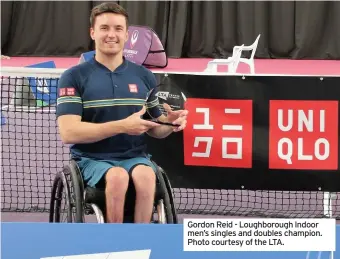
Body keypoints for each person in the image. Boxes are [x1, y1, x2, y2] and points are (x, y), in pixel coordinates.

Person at [56, 2, 188, 223]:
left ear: (126, 35)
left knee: (146, 176)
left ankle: (140, 241)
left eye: (118, 29)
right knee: (117, 177)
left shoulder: (144, 75)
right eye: (104, 28)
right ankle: (115, 243)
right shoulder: (73, 77)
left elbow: (156, 128)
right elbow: (69, 133)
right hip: (91, 159)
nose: (111, 35)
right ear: (93, 32)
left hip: (135, 157)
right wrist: (122, 126)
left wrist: (169, 124)